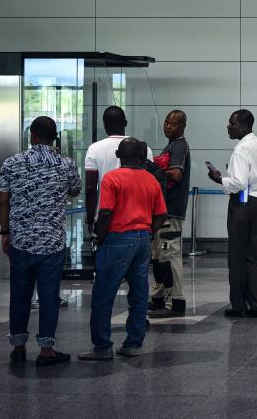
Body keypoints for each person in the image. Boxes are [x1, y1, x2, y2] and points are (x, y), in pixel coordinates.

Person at [0, 116, 81, 366]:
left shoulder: (12, 163)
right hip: (52, 242)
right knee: (49, 296)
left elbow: (3, 201)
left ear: (32, 136)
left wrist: (5, 232)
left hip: (20, 240)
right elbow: (75, 190)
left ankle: (18, 347)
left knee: (19, 294)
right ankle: (46, 350)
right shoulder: (65, 163)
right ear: (55, 137)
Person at [79, 138, 167, 361]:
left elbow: (106, 212)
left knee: (103, 294)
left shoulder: (112, 178)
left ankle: (102, 347)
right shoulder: (151, 179)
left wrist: (99, 237)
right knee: (138, 294)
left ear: (118, 155)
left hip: (118, 237)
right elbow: (161, 214)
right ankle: (133, 343)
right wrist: (148, 232)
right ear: (142, 157)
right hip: (142, 239)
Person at [208, 110, 257, 318]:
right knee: (252, 256)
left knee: (237, 257)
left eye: (232, 123)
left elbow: (239, 183)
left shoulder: (241, 148)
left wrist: (219, 179)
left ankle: (239, 306)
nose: (228, 126)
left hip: (242, 203)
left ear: (244, 125)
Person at [84, 106, 152, 237]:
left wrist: (91, 219)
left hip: (106, 219)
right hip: (139, 221)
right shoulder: (143, 149)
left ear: (105, 125)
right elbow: (150, 184)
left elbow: (91, 188)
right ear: (125, 123)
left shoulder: (94, 149)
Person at [148, 110, 191, 318]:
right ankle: (159, 297)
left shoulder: (180, 145)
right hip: (162, 210)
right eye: (166, 122)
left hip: (171, 210)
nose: (168, 126)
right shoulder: (171, 145)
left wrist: (153, 171)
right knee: (159, 256)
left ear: (182, 126)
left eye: (173, 124)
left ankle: (176, 301)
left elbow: (176, 173)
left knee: (170, 254)